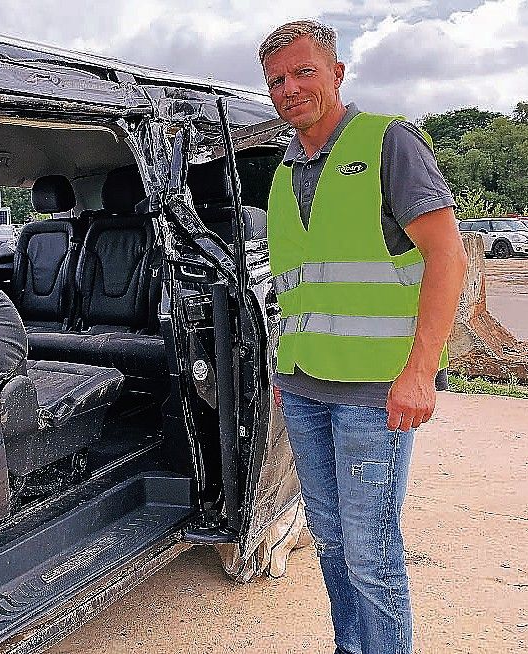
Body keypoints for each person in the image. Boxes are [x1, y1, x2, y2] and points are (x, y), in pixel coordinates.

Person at [258, 20, 467, 654]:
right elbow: (297, 288)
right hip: (303, 390)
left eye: (303, 72)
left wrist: (420, 372)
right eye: (277, 81)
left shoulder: (388, 144)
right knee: (331, 542)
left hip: (373, 395)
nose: (291, 88)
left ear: (337, 73)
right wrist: (279, 373)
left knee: (371, 551)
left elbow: (447, 258)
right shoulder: (284, 168)